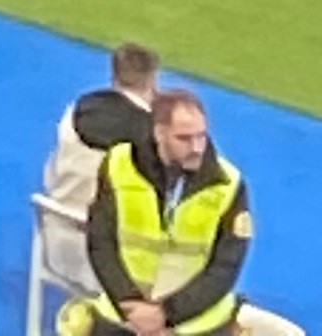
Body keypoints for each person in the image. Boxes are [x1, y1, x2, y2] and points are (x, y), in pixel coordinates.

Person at [67, 89, 250, 336]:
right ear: (159, 133)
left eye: (201, 136)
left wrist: (166, 315)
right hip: (125, 313)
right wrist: (131, 305)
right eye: (184, 138)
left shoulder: (228, 184)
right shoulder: (119, 164)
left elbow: (225, 266)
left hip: (197, 323)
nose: (197, 148)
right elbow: (101, 241)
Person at [48, 45, 162, 206]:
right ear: (153, 80)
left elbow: (52, 172)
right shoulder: (151, 131)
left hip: (57, 211)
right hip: (110, 221)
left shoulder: (78, 109)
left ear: (115, 74)